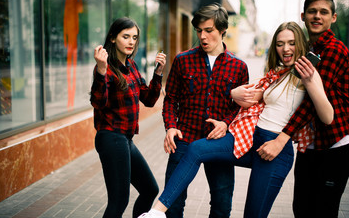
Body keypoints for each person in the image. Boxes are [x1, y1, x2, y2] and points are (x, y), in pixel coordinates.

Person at [139, 21, 334, 218]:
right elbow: (250, 97)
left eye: (291, 43)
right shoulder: (278, 73)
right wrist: (231, 99)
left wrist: (310, 82)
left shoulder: (309, 75)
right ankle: (156, 212)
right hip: (251, 140)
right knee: (196, 149)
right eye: (280, 43)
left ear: (300, 44)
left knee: (252, 213)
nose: (285, 49)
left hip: (274, 150)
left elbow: (327, 116)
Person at [159, 3, 250, 218]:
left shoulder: (239, 67)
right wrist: (171, 126)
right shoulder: (183, 60)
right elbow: (171, 99)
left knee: (221, 204)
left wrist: (226, 123)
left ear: (222, 31)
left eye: (209, 30)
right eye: (199, 31)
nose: (203, 36)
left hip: (217, 142)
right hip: (184, 137)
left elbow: (242, 108)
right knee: (172, 203)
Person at [278, 0, 349, 218]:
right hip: (309, 145)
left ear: (333, 18)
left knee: (324, 211)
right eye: (312, 11)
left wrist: (283, 137)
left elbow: (312, 101)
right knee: (301, 208)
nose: (317, 16)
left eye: (323, 12)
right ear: (303, 15)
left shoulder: (335, 50)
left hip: (334, 144)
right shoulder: (306, 49)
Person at [90, 17, 166, 218]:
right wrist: (100, 69)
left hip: (125, 138)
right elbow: (98, 102)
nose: (131, 41)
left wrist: (158, 72)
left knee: (150, 189)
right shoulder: (105, 69)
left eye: (134, 37)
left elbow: (149, 99)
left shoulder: (131, 66)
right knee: (119, 201)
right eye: (126, 36)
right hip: (111, 137)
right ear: (113, 38)